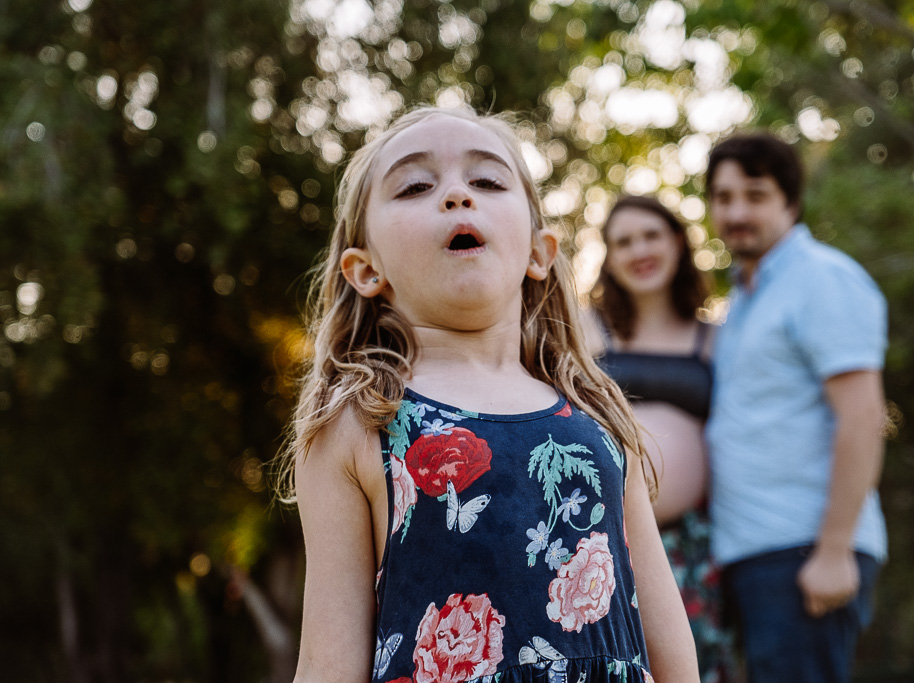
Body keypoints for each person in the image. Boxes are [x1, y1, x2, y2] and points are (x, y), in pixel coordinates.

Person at [277, 106, 699, 683]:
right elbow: (328, 661)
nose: (456, 195)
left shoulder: (594, 411)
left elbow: (669, 642)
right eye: (416, 186)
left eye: (487, 181)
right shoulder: (359, 420)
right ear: (365, 268)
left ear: (538, 252)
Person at [704, 132, 888, 683]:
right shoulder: (741, 299)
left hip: (804, 551)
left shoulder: (822, 278)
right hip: (752, 554)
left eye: (755, 195)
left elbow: (862, 418)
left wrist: (834, 552)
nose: (737, 211)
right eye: (723, 196)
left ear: (790, 201)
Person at [588, 195, 734, 683]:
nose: (639, 250)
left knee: (692, 665)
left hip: (694, 543)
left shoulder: (713, 338)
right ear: (608, 257)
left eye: (651, 235)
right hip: (604, 538)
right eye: (623, 241)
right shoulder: (587, 330)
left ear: (677, 241)